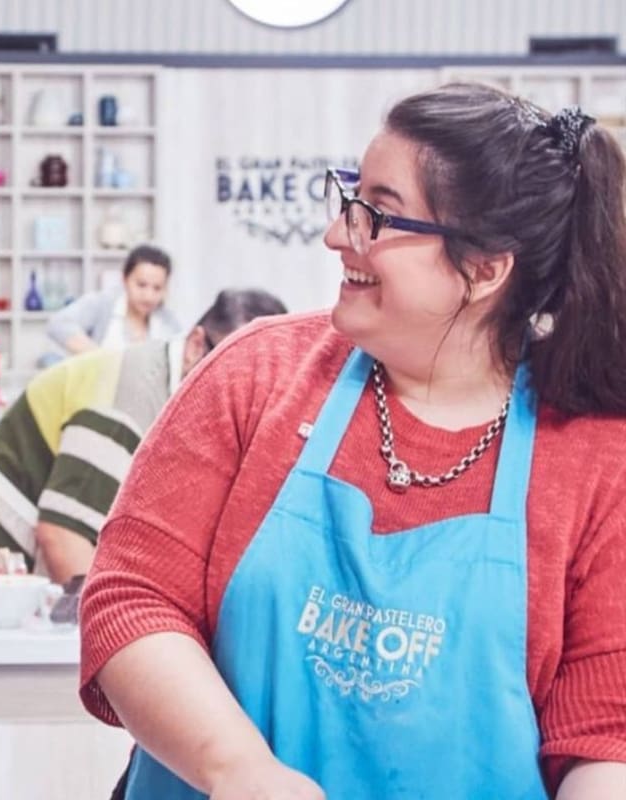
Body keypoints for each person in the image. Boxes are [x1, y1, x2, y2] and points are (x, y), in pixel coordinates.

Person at [80, 82, 626, 800]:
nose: (339, 234)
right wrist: (242, 773)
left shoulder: (593, 454)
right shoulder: (259, 374)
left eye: (380, 214)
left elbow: (602, 736)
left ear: (487, 268)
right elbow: (131, 597)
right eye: (350, 198)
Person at [0, 289, 287, 583]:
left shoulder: (171, 386)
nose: (242, 400)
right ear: (195, 344)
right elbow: (63, 535)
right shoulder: (130, 403)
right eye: (232, 374)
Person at [47, 244, 182, 356]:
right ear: (125, 279)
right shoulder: (103, 304)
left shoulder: (168, 321)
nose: (148, 296)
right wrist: (100, 359)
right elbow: (59, 324)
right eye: (141, 285)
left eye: (157, 288)